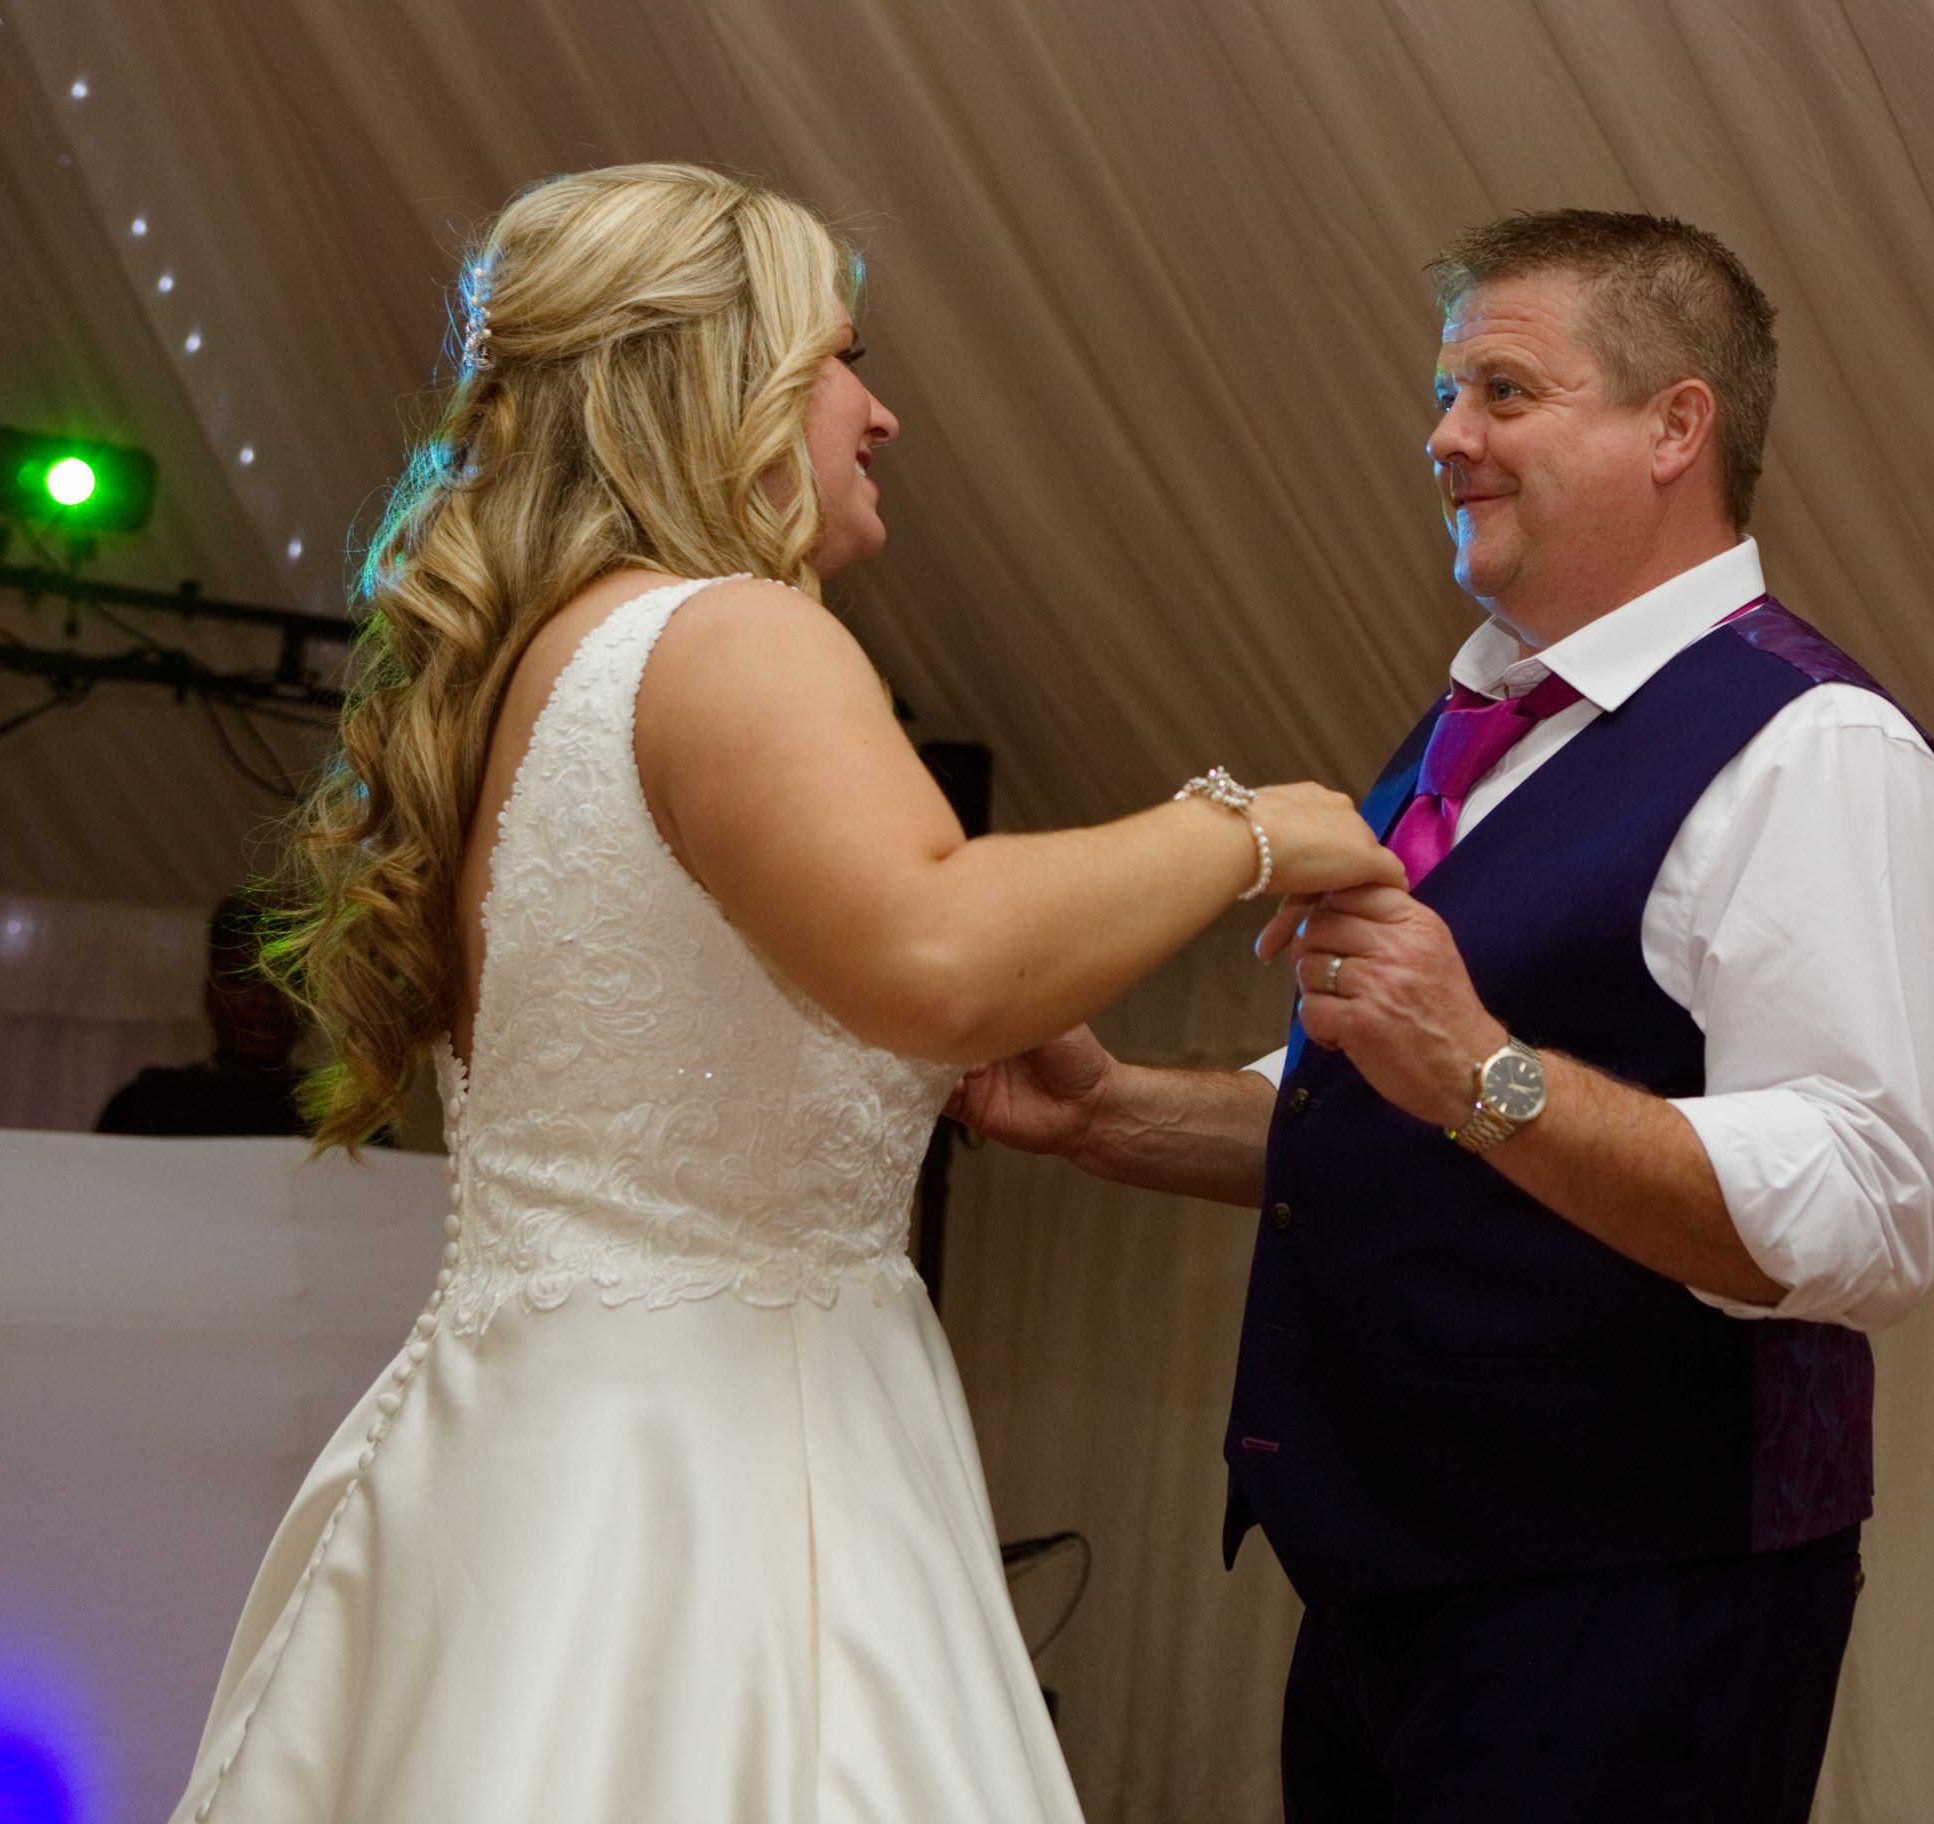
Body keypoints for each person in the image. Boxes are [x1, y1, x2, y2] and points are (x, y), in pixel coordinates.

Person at [164, 163, 1401, 1824]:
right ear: (717, 380)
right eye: (842, 363)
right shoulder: (735, 635)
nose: (881, 416)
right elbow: (936, 950)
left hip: (525, 1451)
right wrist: (1247, 829)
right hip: (719, 1478)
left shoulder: (546, 665)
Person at [953, 210, 1934, 1821]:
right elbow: (1373, 1105)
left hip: (1635, 1605)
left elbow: (1870, 1207)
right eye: (1445, 396)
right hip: (1389, 1592)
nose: (1445, 438)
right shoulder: (1484, 728)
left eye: (1504, 391)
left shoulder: (1814, 749)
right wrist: (1105, 1114)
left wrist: (1485, 1071)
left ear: (1676, 425)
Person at [96, 891, 307, 1137]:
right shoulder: (141, 1105)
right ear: (209, 992)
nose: (264, 1000)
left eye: (287, 981)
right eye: (242, 979)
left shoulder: (337, 1115)